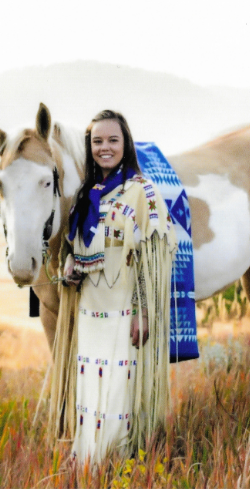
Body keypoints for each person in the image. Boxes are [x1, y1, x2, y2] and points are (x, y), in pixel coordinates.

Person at [49, 110, 177, 463]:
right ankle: (89, 456)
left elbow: (152, 257)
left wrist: (145, 311)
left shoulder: (142, 192)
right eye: (97, 141)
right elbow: (75, 250)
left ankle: (118, 461)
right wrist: (70, 267)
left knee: (120, 387)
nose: (105, 148)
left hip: (125, 310)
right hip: (90, 309)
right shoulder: (85, 195)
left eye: (112, 140)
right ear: (90, 147)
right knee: (91, 385)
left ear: (126, 144)